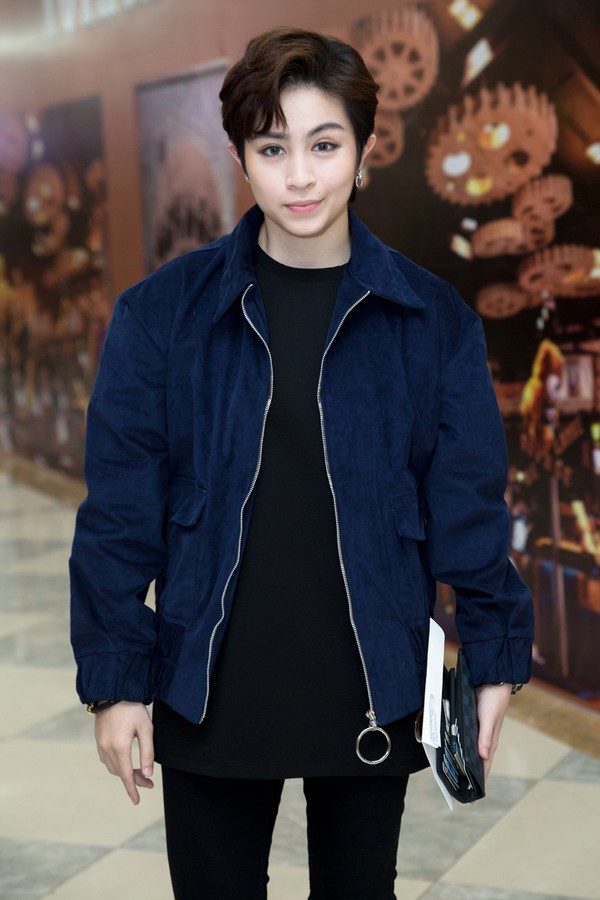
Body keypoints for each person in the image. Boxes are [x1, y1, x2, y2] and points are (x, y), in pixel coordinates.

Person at [69, 27, 534, 900]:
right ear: (241, 159)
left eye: (324, 145)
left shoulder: (431, 321)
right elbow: (119, 518)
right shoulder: (161, 317)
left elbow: (469, 504)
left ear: (363, 151)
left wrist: (495, 651)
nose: (300, 175)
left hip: (370, 687)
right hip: (208, 687)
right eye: (272, 148)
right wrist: (116, 684)